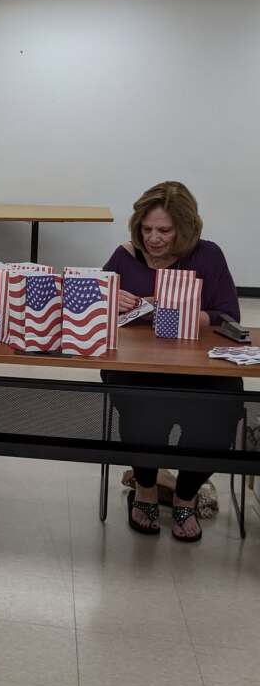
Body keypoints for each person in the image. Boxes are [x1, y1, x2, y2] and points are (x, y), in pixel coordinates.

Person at [103, 181, 243, 542]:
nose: (154, 239)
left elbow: (229, 313)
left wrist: (201, 318)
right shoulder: (124, 255)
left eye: (164, 230)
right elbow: (88, 303)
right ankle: (146, 490)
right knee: (144, 412)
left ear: (184, 228)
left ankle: (185, 497)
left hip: (198, 365)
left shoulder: (208, 255)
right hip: (138, 367)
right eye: (147, 229)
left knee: (220, 416)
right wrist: (109, 299)